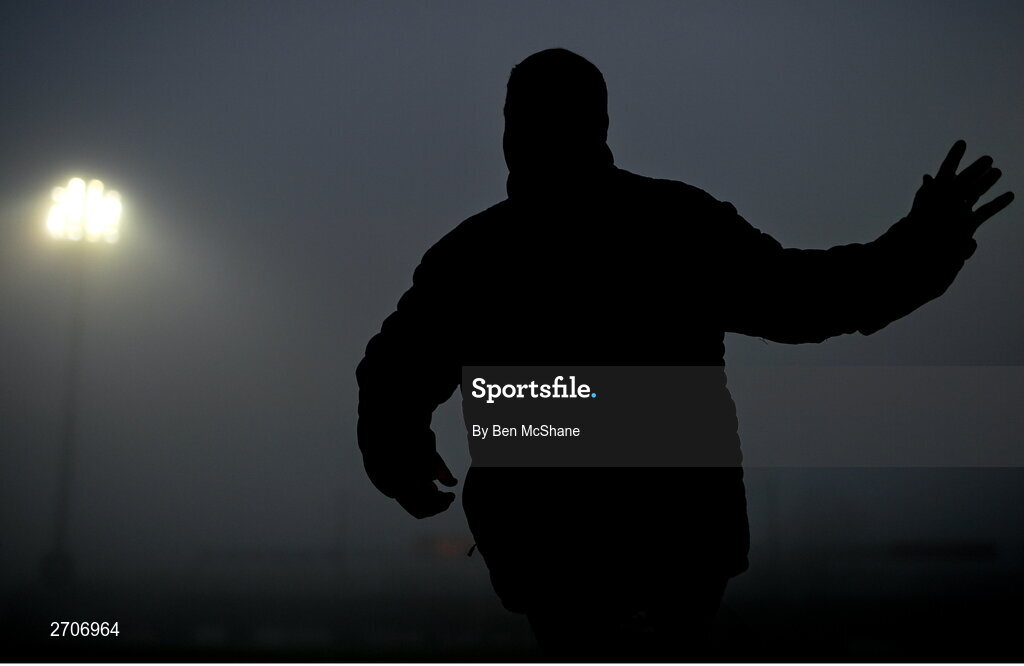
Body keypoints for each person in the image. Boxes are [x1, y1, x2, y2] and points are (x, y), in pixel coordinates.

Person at [355, 48, 1013, 660]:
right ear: (600, 125)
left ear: (513, 131)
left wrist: (401, 458)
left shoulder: (473, 259)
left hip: (555, 556)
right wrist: (922, 247)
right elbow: (812, 300)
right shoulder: (677, 225)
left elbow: (394, 373)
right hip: (680, 545)